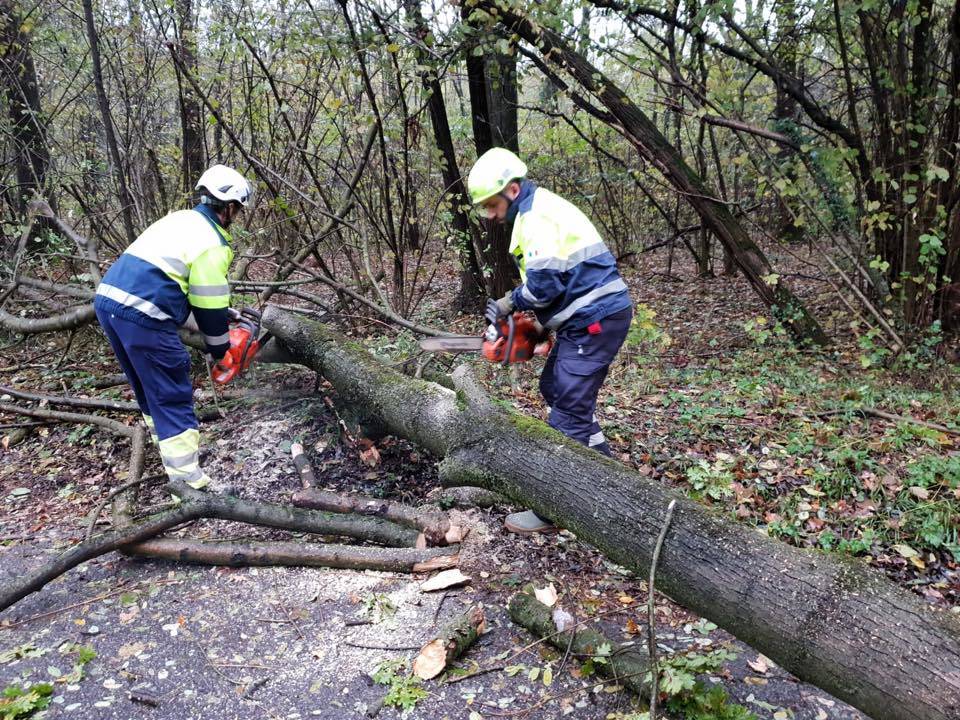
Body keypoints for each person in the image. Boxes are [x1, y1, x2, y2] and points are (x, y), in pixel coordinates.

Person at [467, 147, 633, 534]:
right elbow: (563, 280)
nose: (490, 215)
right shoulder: (538, 209)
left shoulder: (536, 217)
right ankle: (603, 467)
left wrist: (510, 303)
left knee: (567, 411)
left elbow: (544, 284)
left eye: (491, 205)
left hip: (596, 320)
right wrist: (543, 326)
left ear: (510, 189)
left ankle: (553, 506)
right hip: (588, 318)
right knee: (555, 387)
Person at [93, 164, 252, 490]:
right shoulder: (213, 242)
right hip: (142, 313)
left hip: (110, 301)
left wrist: (225, 316)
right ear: (230, 207)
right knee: (172, 391)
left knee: (148, 387)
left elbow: (170, 287)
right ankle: (188, 485)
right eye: (237, 210)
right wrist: (221, 348)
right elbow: (207, 303)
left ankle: (167, 449)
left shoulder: (180, 219)